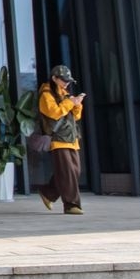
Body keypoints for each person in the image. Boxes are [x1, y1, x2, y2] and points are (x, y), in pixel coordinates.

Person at [37, 65, 86, 215]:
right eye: (64, 80)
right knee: (68, 172)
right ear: (54, 78)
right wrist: (70, 102)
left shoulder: (65, 95)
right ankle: (71, 205)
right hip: (58, 139)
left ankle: (48, 193)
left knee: (74, 171)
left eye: (68, 81)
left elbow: (75, 117)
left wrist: (77, 104)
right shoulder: (46, 94)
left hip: (71, 138)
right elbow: (54, 113)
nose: (66, 83)